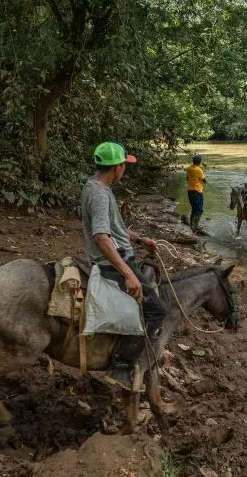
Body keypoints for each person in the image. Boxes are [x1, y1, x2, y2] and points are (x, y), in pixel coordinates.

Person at [80, 141, 166, 391]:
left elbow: (113, 229)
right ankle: (121, 365)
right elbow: (101, 237)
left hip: (117, 257)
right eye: (124, 165)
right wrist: (128, 273)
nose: (124, 170)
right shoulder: (99, 194)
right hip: (112, 265)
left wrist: (140, 239)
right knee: (156, 310)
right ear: (116, 167)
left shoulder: (97, 187)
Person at [185, 154, 207, 233]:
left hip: (190, 191)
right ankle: (196, 226)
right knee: (199, 210)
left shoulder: (189, 168)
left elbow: (187, 178)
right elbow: (205, 181)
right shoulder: (199, 170)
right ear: (199, 162)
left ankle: (192, 225)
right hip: (197, 191)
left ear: (193, 161)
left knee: (194, 209)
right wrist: (204, 174)